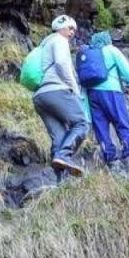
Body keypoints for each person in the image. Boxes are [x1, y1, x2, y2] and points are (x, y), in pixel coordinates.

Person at [33, 15, 89, 178]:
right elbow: (61, 64)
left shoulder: (45, 44)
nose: (72, 32)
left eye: (74, 30)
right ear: (60, 27)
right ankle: (64, 155)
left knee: (59, 137)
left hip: (40, 96)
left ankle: (60, 181)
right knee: (81, 123)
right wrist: (75, 90)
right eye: (70, 28)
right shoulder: (59, 40)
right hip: (56, 90)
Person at [84, 31, 129, 171]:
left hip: (92, 94)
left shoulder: (89, 53)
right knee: (121, 121)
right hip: (111, 90)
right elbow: (127, 71)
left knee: (101, 127)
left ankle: (111, 160)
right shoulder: (112, 50)